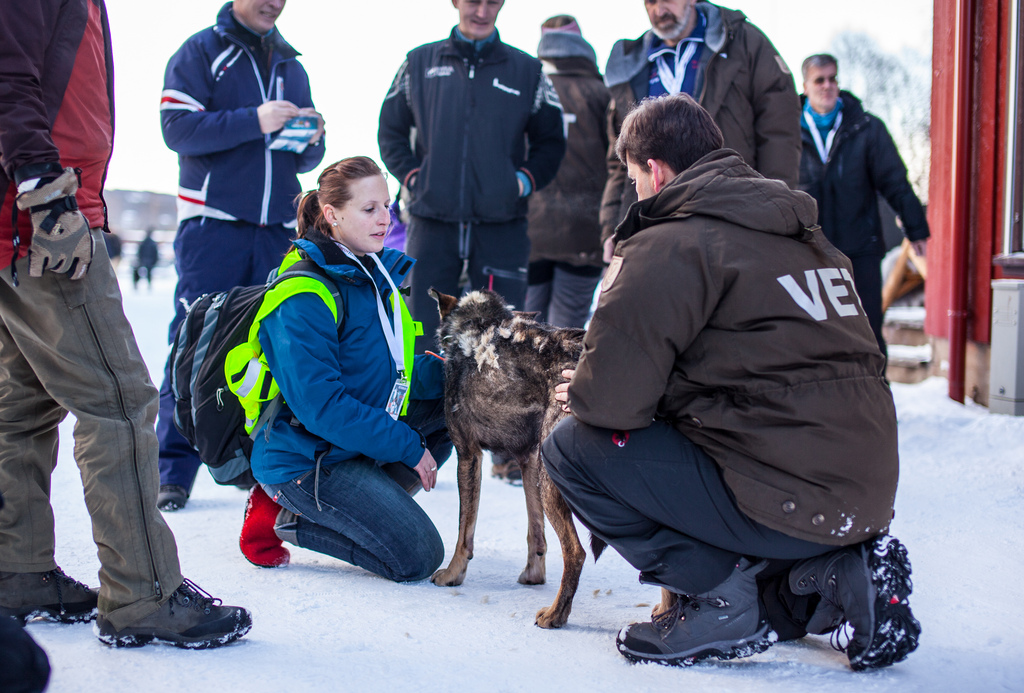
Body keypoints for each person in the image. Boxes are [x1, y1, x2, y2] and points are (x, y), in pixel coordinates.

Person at [541, 94, 920, 670]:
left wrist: (585, 392)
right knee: (731, 462)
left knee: (572, 447)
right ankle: (835, 576)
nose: (635, 192)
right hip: (863, 496)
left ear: (657, 171)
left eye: (634, 177)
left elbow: (612, 401)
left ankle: (721, 598)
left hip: (786, 497)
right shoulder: (809, 238)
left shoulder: (671, 243)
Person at [0, 0, 250, 648]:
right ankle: (143, 593)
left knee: (23, 406)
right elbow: (7, 74)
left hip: (24, 218)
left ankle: (19, 568)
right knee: (118, 401)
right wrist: (46, 192)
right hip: (41, 218)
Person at [238, 157, 453, 583]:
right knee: (418, 557)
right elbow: (323, 406)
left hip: (348, 442)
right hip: (303, 456)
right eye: (369, 208)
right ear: (332, 214)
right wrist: (407, 446)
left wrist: (459, 376)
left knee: (454, 405)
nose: (385, 219)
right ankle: (288, 514)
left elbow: (393, 368)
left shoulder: (373, 275)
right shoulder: (303, 294)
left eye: (388, 206)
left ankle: (363, 506)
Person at [155, 0, 326, 511]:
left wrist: (314, 138)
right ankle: (173, 469)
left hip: (277, 228)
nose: (274, 2)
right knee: (193, 345)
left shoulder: (291, 64)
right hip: (214, 228)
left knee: (275, 349)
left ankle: (266, 473)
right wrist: (255, 119)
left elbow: (304, 159)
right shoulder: (201, 51)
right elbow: (177, 129)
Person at [378, 0, 566, 355]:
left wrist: (520, 182)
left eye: (492, 3)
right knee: (424, 334)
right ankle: (423, 408)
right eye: (473, 2)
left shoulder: (528, 71)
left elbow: (552, 141)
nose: (481, 11)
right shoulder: (418, 63)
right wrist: (414, 177)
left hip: (501, 224)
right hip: (432, 220)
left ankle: (498, 412)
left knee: (503, 339)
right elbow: (390, 130)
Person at [600, 0, 801, 260]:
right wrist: (613, 228)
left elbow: (779, 134)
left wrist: (774, 209)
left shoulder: (743, 43)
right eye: (650, 2)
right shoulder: (631, 65)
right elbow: (620, 162)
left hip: (732, 211)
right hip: (653, 221)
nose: (659, 11)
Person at [798, 54, 929, 358]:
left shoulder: (867, 128)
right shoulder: (786, 131)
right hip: (807, 249)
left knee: (867, 332)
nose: (828, 85)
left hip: (861, 248)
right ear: (805, 85)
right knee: (811, 332)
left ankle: (876, 402)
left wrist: (916, 227)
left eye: (833, 78)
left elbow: (895, 180)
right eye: (820, 80)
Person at [524, 15, 610, 329]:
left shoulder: (525, 88)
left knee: (524, 332)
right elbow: (618, 162)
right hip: (584, 233)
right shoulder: (602, 92)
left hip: (529, 231)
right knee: (565, 335)